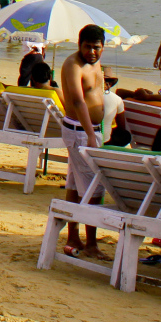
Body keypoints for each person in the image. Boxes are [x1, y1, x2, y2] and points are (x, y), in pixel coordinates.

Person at [58, 24, 106, 259]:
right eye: (87, 47)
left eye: (96, 48)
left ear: (102, 47)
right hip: (80, 131)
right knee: (94, 188)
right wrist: (89, 134)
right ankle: (91, 243)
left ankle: (74, 236)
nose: (92, 52)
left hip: (90, 130)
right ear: (79, 45)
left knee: (76, 185)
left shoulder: (95, 63)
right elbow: (77, 101)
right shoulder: (73, 65)